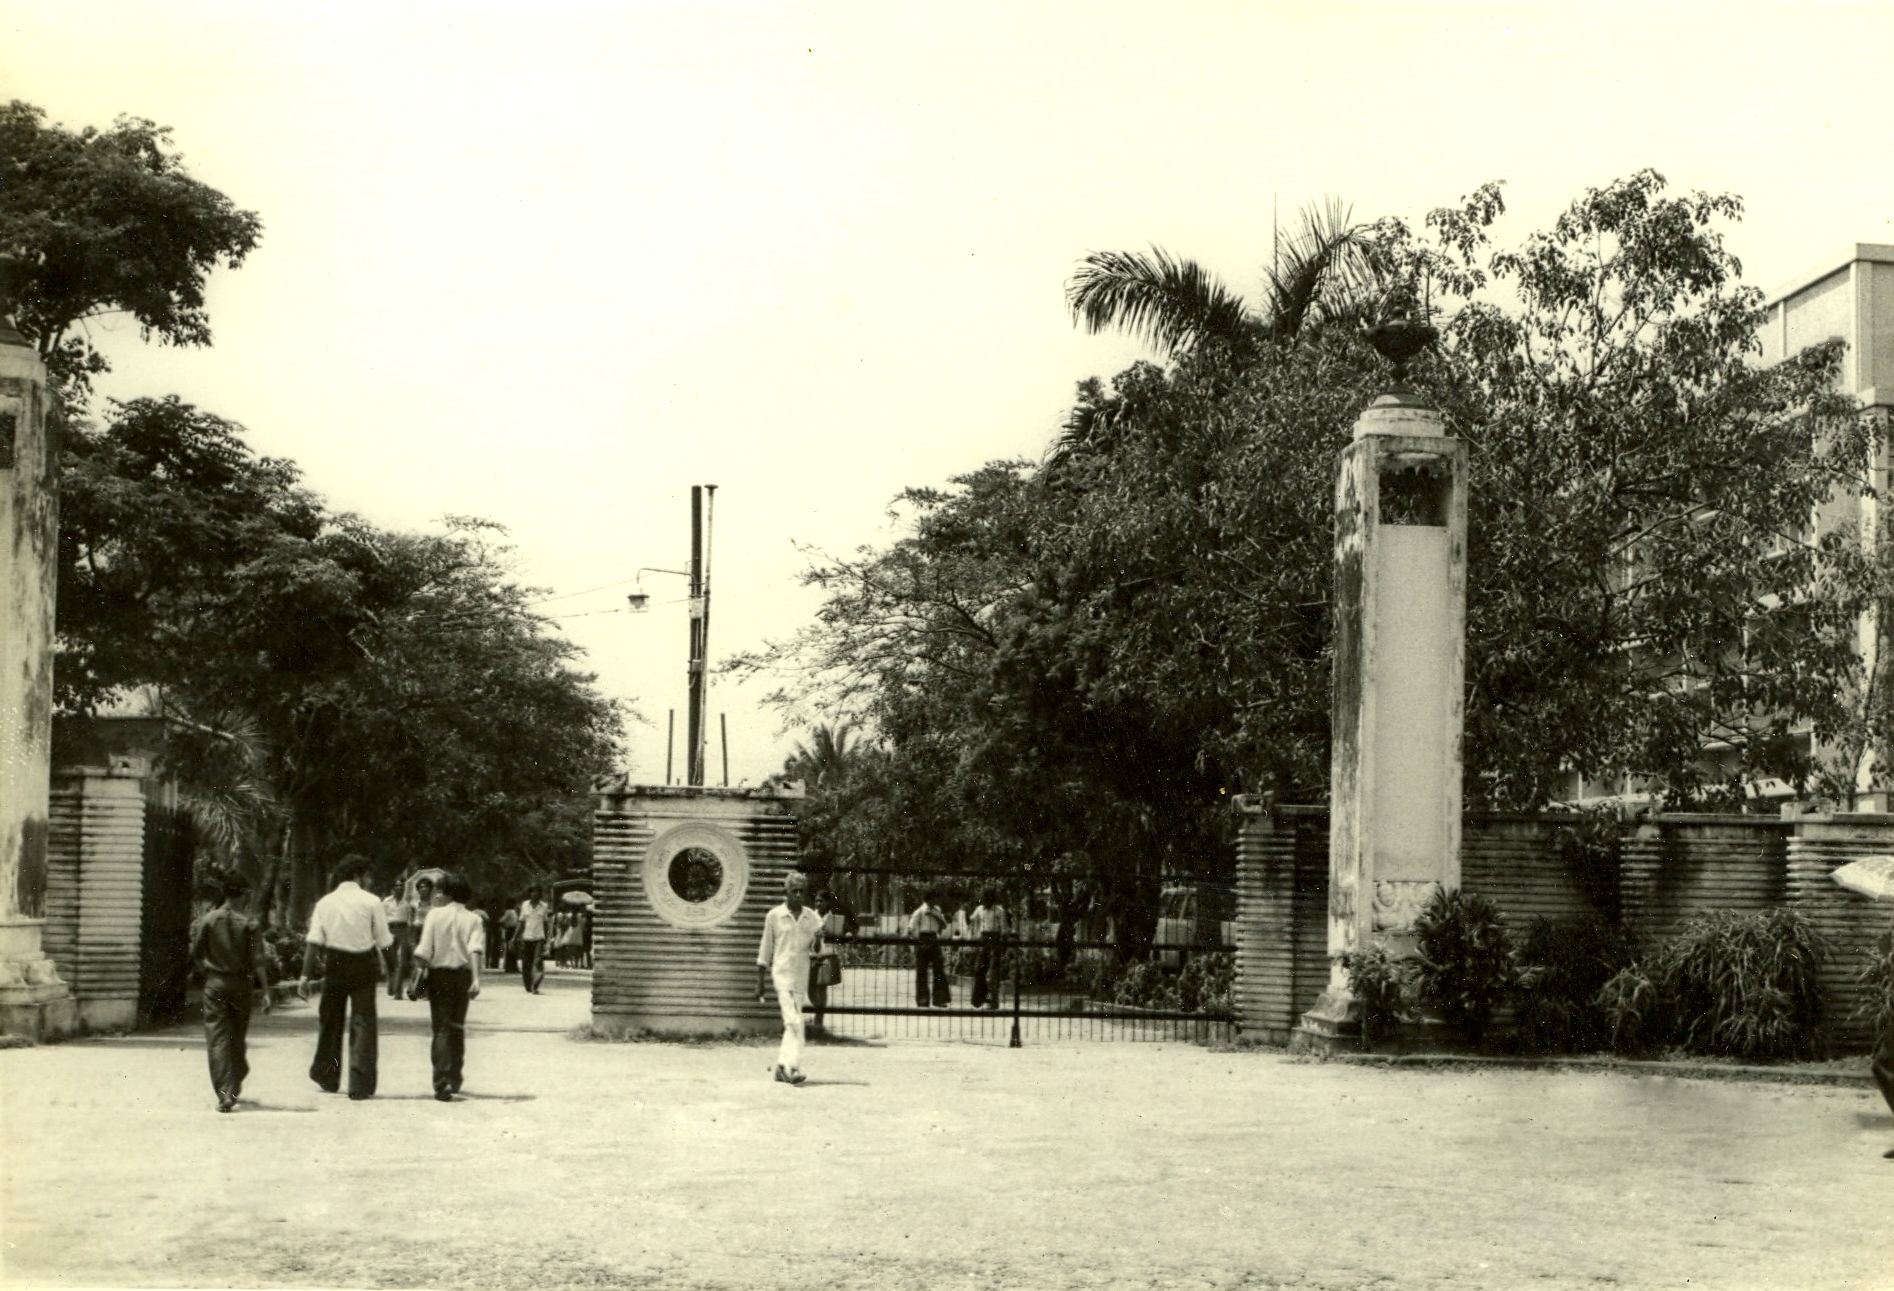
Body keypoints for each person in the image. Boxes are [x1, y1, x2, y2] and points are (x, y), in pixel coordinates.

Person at [300, 855, 393, 1099]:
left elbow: (313, 942)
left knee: (331, 1022)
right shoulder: (372, 902)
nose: (370, 881)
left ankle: (329, 1076)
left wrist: (304, 976)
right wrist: (391, 968)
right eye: (368, 876)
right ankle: (359, 1085)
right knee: (363, 1022)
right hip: (363, 964)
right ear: (359, 875)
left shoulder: (325, 902)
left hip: (335, 964)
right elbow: (384, 940)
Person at [189, 872, 273, 1112]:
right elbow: (258, 960)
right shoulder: (250, 923)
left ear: (225, 893)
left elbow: (196, 952)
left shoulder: (208, 920)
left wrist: (205, 972)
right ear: (244, 895)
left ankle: (226, 1091)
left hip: (215, 984)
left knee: (217, 1037)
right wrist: (266, 991)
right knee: (236, 1036)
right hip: (241, 986)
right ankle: (233, 1082)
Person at [411, 872, 485, 1102]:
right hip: (462, 976)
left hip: (439, 976)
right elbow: (475, 950)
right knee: (457, 1026)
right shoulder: (474, 920)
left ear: (448, 892)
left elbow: (424, 951)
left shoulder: (434, 915)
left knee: (441, 1028)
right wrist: (476, 979)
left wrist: (416, 979)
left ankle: (441, 1081)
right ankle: (455, 1077)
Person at [756, 870, 824, 1085]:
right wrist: (760, 982)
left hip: (800, 976)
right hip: (782, 974)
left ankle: (781, 1066)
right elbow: (766, 949)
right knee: (794, 1021)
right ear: (784, 892)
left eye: (801, 892)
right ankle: (791, 1068)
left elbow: (816, 950)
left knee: (792, 1023)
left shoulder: (811, 917)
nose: (797, 895)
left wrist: (819, 939)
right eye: (793, 891)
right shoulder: (774, 916)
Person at [907, 890, 952, 1008]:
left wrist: (938, 917)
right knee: (922, 971)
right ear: (929, 899)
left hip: (934, 938)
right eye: (935, 899)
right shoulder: (920, 912)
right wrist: (919, 940)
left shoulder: (937, 910)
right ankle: (922, 1000)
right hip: (923, 938)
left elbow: (944, 925)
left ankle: (939, 999)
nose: (937, 901)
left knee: (939, 969)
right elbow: (912, 927)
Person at [969, 888, 1009, 1011]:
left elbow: (1004, 929)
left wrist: (1002, 944)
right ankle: (979, 999)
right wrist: (973, 935)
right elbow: (971, 920)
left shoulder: (999, 911)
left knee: (992, 973)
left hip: (994, 940)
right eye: (984, 899)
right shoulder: (979, 910)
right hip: (983, 939)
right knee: (979, 969)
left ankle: (993, 1001)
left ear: (992, 900)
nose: (985, 902)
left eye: (988, 899)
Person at [382, 874, 414, 998]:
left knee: (401, 961)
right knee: (390, 960)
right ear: (393, 888)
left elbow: (410, 919)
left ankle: (398, 992)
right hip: (389, 929)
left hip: (403, 930)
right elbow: (381, 917)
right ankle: (391, 985)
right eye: (397, 885)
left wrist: (409, 932)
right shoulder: (386, 902)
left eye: (401, 885)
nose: (399, 888)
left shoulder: (408, 903)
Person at [517, 888, 551, 993]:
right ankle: (528, 985)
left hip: (539, 938)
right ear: (530, 894)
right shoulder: (524, 905)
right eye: (532, 892)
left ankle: (535, 985)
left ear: (539, 895)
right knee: (526, 964)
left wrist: (547, 938)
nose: (534, 894)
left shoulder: (544, 906)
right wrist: (514, 937)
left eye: (537, 893)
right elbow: (521, 922)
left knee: (537, 962)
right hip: (527, 937)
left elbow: (546, 924)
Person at [498, 901, 520, 975]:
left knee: (512, 949)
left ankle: (513, 967)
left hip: (513, 930)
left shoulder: (512, 911)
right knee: (511, 949)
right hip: (510, 930)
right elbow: (501, 920)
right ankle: (510, 967)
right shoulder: (509, 912)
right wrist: (505, 926)